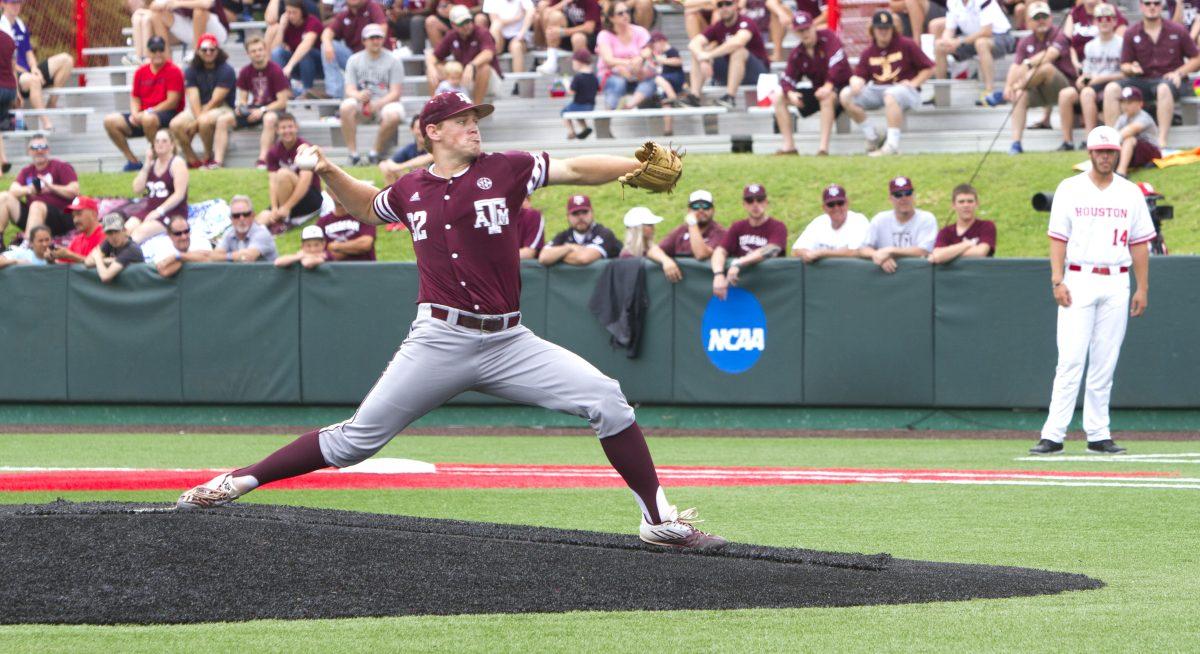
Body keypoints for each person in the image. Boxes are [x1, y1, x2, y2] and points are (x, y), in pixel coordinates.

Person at [176, 91, 726, 551]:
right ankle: (235, 481)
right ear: (433, 130)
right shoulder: (413, 189)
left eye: (475, 120)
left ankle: (657, 520)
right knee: (353, 444)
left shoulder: (505, 169)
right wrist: (327, 170)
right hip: (439, 337)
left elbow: (576, 167)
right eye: (463, 121)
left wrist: (633, 166)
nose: (474, 128)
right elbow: (369, 207)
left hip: (509, 340)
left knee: (606, 398)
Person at [1030, 126, 1154, 456]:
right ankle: (1053, 433)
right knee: (1070, 358)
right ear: (1089, 153)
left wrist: (1142, 287)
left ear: (1117, 153)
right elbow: (1057, 237)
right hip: (1079, 275)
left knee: (1105, 360)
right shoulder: (1070, 189)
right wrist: (1057, 279)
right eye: (1100, 151)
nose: (1105, 156)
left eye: (1110, 151)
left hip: (1116, 277)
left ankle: (1098, 432)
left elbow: (1140, 243)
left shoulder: (1130, 193)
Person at [839, 10, 934, 157]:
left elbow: (928, 68)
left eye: (887, 28)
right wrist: (855, 82)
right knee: (846, 95)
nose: (883, 32)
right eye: (879, 28)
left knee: (891, 94)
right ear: (873, 30)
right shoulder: (868, 52)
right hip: (878, 89)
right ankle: (873, 136)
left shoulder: (907, 44)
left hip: (905, 90)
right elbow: (860, 76)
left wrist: (914, 83)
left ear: (893, 29)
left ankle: (892, 145)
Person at [1107, 0, 1200, 147]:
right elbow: (1124, 65)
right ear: (1141, 6)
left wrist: (1179, 72)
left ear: (1161, 6)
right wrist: (1131, 68)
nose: (1152, 7)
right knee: (1111, 89)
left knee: (1163, 88)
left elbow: (1197, 58)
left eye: (1156, 3)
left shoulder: (1177, 29)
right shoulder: (1131, 32)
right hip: (1142, 80)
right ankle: (1110, 140)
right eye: (1148, 3)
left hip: (1170, 80)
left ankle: (1161, 141)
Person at [773, 11, 850, 156]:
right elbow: (786, 78)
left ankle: (823, 149)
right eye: (800, 30)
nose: (805, 33)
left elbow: (838, 63)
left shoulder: (828, 37)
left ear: (814, 27)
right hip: (818, 90)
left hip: (841, 89)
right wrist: (790, 93)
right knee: (778, 96)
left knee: (826, 96)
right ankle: (789, 147)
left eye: (807, 28)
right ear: (796, 32)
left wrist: (828, 85)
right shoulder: (798, 52)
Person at [103, 36, 185, 173]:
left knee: (148, 118)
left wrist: (148, 112)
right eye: (154, 50)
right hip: (144, 115)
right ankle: (133, 161)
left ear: (165, 51)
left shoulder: (174, 70)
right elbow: (135, 97)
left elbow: (172, 102)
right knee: (110, 120)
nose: (157, 53)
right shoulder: (141, 72)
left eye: (160, 50)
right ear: (148, 52)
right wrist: (135, 114)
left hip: (167, 114)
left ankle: (157, 160)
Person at [1003, 2, 1076, 155]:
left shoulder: (1059, 35)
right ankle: (1016, 143)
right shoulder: (1025, 42)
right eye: (1036, 18)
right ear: (1028, 22)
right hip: (1039, 89)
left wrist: (1028, 64)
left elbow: (1050, 56)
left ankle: (1067, 142)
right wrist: (1008, 87)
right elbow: (1015, 67)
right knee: (1020, 95)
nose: (1041, 20)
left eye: (1044, 16)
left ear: (1050, 18)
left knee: (1045, 68)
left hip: (1065, 87)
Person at [213, 36, 292, 169]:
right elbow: (243, 99)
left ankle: (262, 160)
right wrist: (241, 107)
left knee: (269, 118)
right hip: (254, 108)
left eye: (260, 50)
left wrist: (262, 110)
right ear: (248, 53)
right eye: (254, 51)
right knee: (222, 120)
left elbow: (282, 102)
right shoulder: (245, 71)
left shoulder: (276, 70)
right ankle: (217, 161)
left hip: (273, 110)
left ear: (265, 51)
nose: (257, 53)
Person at [1058, 3, 1124, 151]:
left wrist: (1100, 79)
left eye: (1108, 18)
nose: (1104, 21)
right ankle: (1068, 142)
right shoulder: (1090, 46)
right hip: (1094, 85)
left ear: (1114, 21)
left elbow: (1127, 73)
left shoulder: (1122, 44)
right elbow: (1088, 73)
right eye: (1100, 19)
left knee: (1090, 92)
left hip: (1115, 84)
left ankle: (1095, 139)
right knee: (1067, 94)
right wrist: (1082, 80)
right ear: (1094, 22)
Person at [1, 0, 75, 132]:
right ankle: (46, 123)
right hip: (13, 75)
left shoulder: (20, 25)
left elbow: (29, 53)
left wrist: (35, 68)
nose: (16, 6)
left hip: (28, 72)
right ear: (3, 4)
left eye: (18, 3)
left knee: (66, 60)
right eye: (12, 3)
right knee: (34, 80)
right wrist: (28, 73)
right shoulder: (2, 28)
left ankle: (52, 103)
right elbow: (8, 62)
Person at [686, 0, 771, 109]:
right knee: (697, 52)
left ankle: (730, 97)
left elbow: (738, 42)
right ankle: (694, 97)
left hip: (756, 73)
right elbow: (694, 43)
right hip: (732, 71)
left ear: (736, 5)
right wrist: (702, 57)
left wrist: (709, 55)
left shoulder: (746, 22)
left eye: (728, 3)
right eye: (720, 5)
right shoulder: (718, 26)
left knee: (739, 51)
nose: (724, 7)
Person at [341, 23, 407, 165]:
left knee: (394, 113)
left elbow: (395, 93)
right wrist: (358, 96)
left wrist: (377, 104)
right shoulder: (354, 60)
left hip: (385, 103)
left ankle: (374, 153)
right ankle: (353, 154)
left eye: (378, 37)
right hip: (361, 102)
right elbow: (349, 90)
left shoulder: (394, 60)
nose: (376, 41)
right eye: (371, 38)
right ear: (364, 41)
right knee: (346, 106)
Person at [171, 33, 237, 168]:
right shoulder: (191, 70)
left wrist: (197, 121)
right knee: (175, 124)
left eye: (212, 49)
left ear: (218, 51)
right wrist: (197, 117)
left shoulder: (226, 69)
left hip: (223, 108)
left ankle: (208, 156)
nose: (208, 52)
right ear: (198, 51)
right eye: (204, 49)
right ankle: (192, 159)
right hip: (199, 108)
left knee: (204, 121)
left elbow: (216, 100)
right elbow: (193, 97)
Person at [709, 183, 786, 299]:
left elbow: (772, 249)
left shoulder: (777, 226)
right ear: (744, 204)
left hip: (770, 291)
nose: (755, 205)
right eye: (750, 201)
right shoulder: (737, 227)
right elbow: (720, 251)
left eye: (759, 200)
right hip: (741, 288)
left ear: (766, 202)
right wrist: (718, 274)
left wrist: (739, 262)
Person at [0, 136, 78, 246]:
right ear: (29, 151)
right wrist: (29, 189)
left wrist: (51, 187)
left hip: (60, 218)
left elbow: (74, 190)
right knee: (3, 197)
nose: (39, 150)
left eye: (43, 147)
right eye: (35, 147)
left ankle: (27, 246)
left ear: (48, 150)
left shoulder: (60, 166)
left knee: (36, 205)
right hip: (33, 216)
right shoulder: (27, 171)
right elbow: (13, 190)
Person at [934, 0, 1015, 102]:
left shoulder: (983, 1)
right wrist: (947, 40)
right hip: (971, 39)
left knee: (981, 43)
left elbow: (986, 31)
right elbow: (949, 29)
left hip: (1001, 37)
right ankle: (941, 95)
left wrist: (959, 41)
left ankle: (989, 92)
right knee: (939, 46)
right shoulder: (952, 2)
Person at [258, 113, 326, 232]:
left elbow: (305, 182)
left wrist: (286, 208)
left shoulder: (305, 148)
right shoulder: (273, 152)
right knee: (261, 218)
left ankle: (284, 219)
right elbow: (273, 182)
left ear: (296, 128)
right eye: (283, 128)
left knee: (283, 173)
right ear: (277, 130)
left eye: (290, 127)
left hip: (310, 198)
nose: (287, 131)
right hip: (286, 197)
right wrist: (274, 207)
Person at [858, 176, 938, 273]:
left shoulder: (926, 219)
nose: (904, 198)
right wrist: (878, 255)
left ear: (913, 195)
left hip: (918, 274)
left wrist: (890, 251)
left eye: (908, 193)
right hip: (888, 277)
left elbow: (924, 250)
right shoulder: (880, 219)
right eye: (898, 195)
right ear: (890, 198)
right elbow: (862, 249)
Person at [426, 5, 501, 104]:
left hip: (488, 80)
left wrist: (472, 65)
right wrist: (431, 67)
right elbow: (434, 56)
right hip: (464, 79)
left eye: (468, 21)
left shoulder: (482, 32)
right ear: (453, 24)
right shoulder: (452, 35)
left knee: (484, 68)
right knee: (434, 68)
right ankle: (435, 107)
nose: (466, 26)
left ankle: (476, 109)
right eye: (461, 23)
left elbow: (488, 53)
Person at [127, 129, 190, 243]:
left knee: (139, 232)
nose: (160, 144)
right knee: (126, 229)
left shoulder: (177, 163)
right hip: (149, 210)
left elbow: (179, 194)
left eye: (164, 141)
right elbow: (137, 189)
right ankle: (111, 256)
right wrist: (146, 164)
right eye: (157, 141)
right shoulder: (151, 165)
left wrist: (159, 211)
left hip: (172, 213)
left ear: (172, 145)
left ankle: (124, 257)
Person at [651, 188, 726, 283]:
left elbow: (701, 254)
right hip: (683, 286)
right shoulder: (681, 231)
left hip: (707, 284)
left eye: (706, 206)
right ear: (689, 210)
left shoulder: (720, 232)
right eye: (696, 206)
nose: (701, 210)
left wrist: (692, 223)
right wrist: (665, 260)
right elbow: (653, 250)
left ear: (713, 210)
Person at [321, 0, 390, 99]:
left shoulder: (372, 6)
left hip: (376, 58)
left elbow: (382, 27)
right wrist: (327, 44)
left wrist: (373, 47)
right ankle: (335, 93)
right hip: (355, 60)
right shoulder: (345, 13)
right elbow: (327, 31)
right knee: (326, 46)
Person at [791, 183, 869, 262]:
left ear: (847, 203)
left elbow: (856, 252)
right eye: (831, 204)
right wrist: (807, 254)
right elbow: (796, 250)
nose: (836, 208)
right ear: (824, 207)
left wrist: (822, 253)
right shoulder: (819, 223)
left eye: (840, 203)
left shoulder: (858, 221)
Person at [596, 1, 652, 110]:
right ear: (612, 18)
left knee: (653, 80)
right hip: (610, 74)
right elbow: (608, 60)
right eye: (620, 13)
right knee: (619, 83)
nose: (625, 15)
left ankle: (629, 106)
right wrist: (628, 63)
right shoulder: (604, 35)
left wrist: (640, 58)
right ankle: (609, 112)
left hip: (635, 73)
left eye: (627, 12)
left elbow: (648, 50)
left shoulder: (639, 31)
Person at [539, 193, 623, 265]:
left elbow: (584, 258)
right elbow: (543, 257)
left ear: (592, 213)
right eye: (575, 213)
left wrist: (557, 256)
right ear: (568, 217)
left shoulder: (604, 233)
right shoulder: (563, 236)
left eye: (585, 212)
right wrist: (570, 247)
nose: (581, 217)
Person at [928, 183, 996, 264]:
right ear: (953, 205)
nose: (966, 205)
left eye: (970, 201)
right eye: (961, 202)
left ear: (977, 204)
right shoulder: (945, 232)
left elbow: (980, 253)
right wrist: (967, 244)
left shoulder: (987, 226)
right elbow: (937, 256)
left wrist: (947, 254)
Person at [273, 0, 326, 98]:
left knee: (305, 53)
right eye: (288, 12)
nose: (291, 16)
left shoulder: (312, 21)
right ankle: (284, 89)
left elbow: (306, 44)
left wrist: (289, 66)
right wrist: (281, 28)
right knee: (277, 52)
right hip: (297, 65)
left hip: (318, 64)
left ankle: (307, 91)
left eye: (294, 12)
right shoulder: (287, 24)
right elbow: (275, 49)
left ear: (302, 12)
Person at [538, 0, 602, 75]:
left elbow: (589, 28)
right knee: (555, 16)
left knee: (577, 38)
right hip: (569, 35)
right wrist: (563, 3)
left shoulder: (590, 2)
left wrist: (563, 32)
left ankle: (583, 75)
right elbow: (547, 13)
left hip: (589, 38)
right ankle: (551, 60)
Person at [1113, 86, 1162, 177]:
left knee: (1129, 139)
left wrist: (1112, 140)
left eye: (1130, 102)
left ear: (1140, 103)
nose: (1125, 105)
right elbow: (1115, 133)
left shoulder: (1143, 117)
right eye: (1123, 102)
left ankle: (1121, 172)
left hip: (1152, 152)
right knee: (1116, 145)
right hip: (1133, 152)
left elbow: (1129, 131)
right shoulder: (1122, 118)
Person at [213, 195, 279, 262]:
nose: (241, 219)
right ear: (231, 219)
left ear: (253, 216)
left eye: (246, 214)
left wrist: (225, 256)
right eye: (236, 216)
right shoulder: (229, 234)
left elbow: (248, 257)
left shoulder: (262, 233)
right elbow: (215, 256)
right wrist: (236, 256)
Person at [85, 213, 146, 283]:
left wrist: (98, 259)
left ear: (124, 231)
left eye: (116, 231)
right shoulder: (108, 242)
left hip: (138, 288)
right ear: (105, 234)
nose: (113, 236)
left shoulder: (132, 249)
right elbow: (87, 262)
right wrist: (111, 260)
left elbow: (105, 277)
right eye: (109, 232)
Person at [148, 214, 214, 277]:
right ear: (169, 235)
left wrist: (178, 257)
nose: (184, 237)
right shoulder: (162, 246)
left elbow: (209, 260)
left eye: (186, 231)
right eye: (178, 233)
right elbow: (164, 271)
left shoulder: (200, 239)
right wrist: (192, 257)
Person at [317, 194, 378, 260]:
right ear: (329, 193)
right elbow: (316, 252)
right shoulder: (322, 222)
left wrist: (336, 246)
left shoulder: (363, 215)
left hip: (364, 268)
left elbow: (365, 244)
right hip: (334, 269)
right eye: (335, 188)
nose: (339, 192)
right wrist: (353, 248)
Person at [484, 0, 534, 80]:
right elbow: (496, 21)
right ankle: (493, 76)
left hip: (518, 37)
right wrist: (517, 18)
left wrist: (521, 33)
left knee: (516, 47)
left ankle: (518, 84)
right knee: (495, 26)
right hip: (500, 38)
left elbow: (531, 12)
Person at [151, 0, 230, 49]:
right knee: (158, 15)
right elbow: (153, 5)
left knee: (199, 11)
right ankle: (167, 65)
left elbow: (206, 3)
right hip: (191, 29)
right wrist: (165, 4)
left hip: (216, 32)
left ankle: (197, 54)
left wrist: (178, 3)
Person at [50, 197, 105, 265]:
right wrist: (51, 258)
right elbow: (61, 266)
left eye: (79, 214)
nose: (75, 220)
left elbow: (102, 264)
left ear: (94, 214)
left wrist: (71, 256)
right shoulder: (77, 240)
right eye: (73, 216)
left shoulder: (106, 235)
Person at [380, 116, 434, 183]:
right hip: (415, 183)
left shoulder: (435, 145)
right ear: (412, 130)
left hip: (433, 184)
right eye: (419, 128)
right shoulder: (410, 148)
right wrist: (389, 167)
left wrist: (399, 167)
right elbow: (386, 163)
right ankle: (390, 193)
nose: (422, 131)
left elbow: (427, 158)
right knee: (385, 167)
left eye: (425, 127)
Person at [562, 49, 598, 139]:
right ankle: (585, 128)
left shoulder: (578, 77)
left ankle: (571, 131)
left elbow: (571, 92)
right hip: (590, 105)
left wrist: (566, 84)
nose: (573, 65)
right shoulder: (594, 76)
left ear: (579, 62)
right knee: (578, 114)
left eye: (573, 63)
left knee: (564, 112)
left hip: (579, 104)